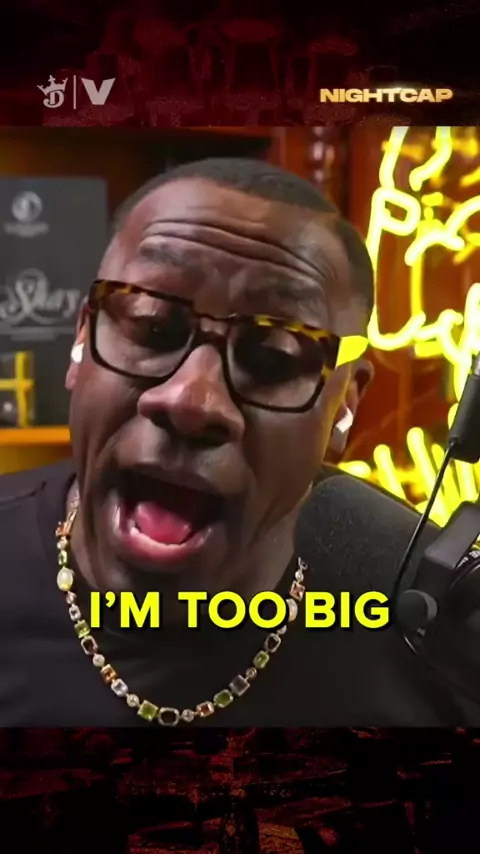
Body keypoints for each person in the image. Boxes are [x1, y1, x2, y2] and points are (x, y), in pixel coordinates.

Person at [0, 157, 476, 727]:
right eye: (153, 327)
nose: (191, 401)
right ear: (82, 338)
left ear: (345, 405)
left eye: (273, 357)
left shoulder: (434, 636)